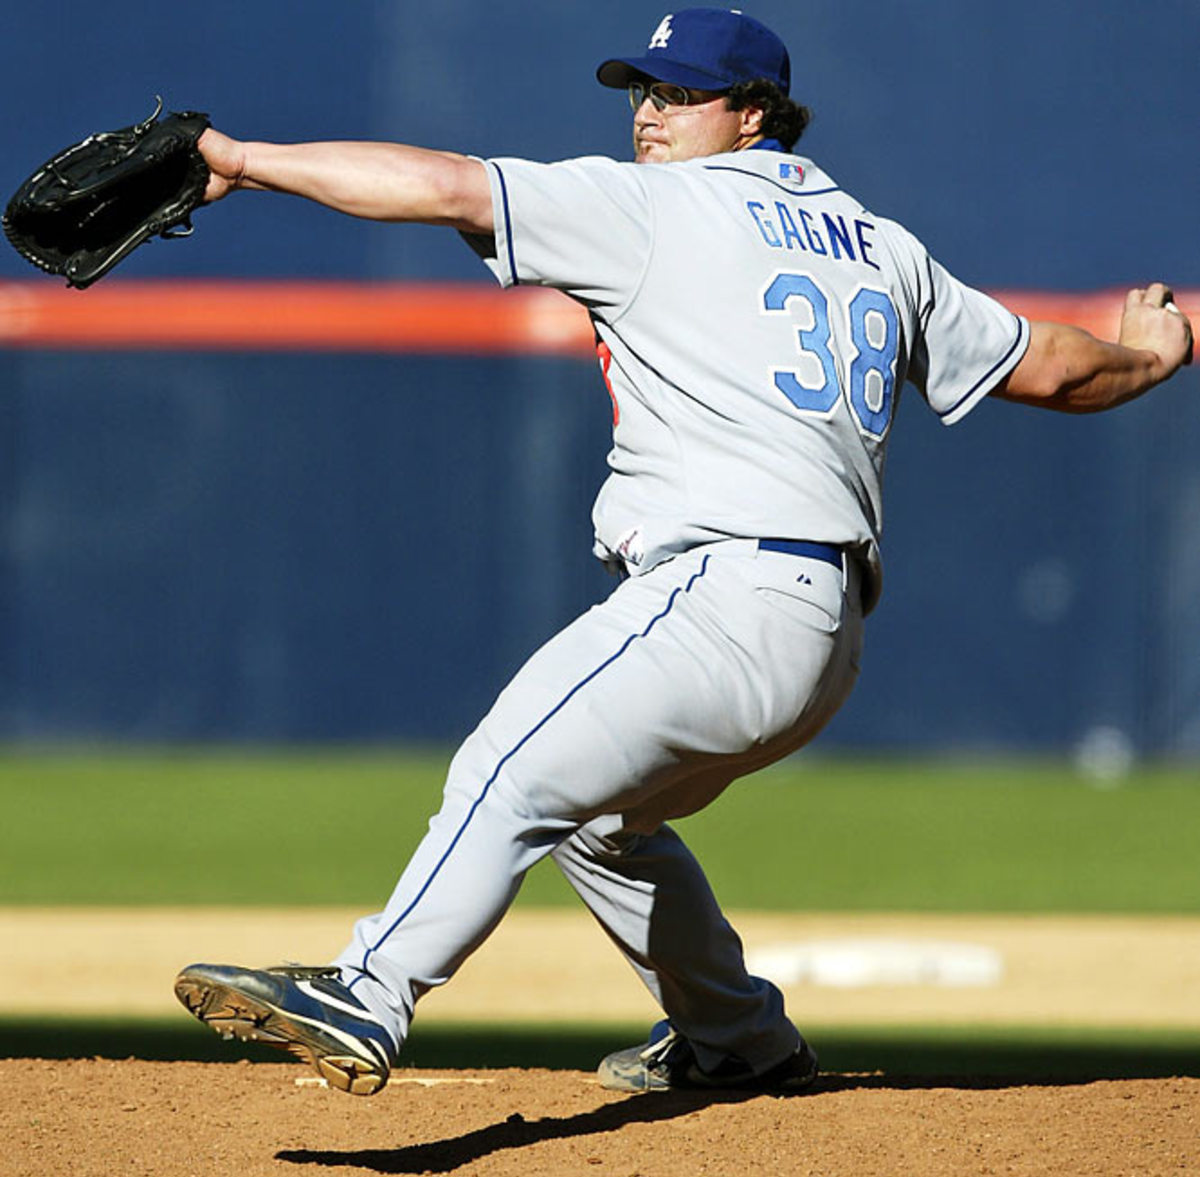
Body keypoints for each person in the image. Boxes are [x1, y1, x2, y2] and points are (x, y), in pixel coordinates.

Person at [174, 8, 1193, 1097]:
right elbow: (1049, 366)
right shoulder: (884, 249)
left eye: (679, 94)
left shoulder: (658, 208)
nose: (648, 114)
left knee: (506, 763)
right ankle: (738, 1036)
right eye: (640, 91)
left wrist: (245, 162)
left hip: (725, 593)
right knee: (602, 823)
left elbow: (445, 187)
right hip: (825, 640)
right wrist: (1151, 359)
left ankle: (370, 990)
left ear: (753, 114)